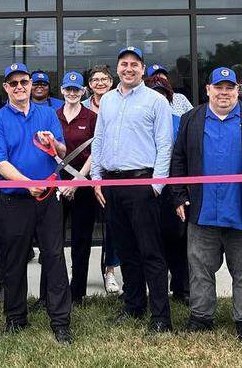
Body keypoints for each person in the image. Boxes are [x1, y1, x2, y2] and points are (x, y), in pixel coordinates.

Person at [171, 67, 242, 346]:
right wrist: (178, 195)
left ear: (238, 90)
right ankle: (201, 317)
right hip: (203, 212)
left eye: (230, 88)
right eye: (218, 87)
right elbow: (179, 160)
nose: (224, 93)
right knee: (200, 270)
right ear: (208, 89)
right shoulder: (191, 119)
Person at [0, 63, 73, 344]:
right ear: (6, 88)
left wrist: (54, 144)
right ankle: (15, 318)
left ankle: (60, 321)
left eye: (24, 81)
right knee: (13, 261)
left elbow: (62, 151)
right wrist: (27, 183)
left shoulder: (47, 114)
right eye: (14, 83)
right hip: (15, 201)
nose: (21, 87)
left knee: (55, 258)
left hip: (48, 200)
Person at [90, 46, 175, 333]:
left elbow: (165, 145)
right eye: (124, 64)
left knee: (150, 251)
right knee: (126, 250)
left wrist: (156, 185)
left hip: (142, 184)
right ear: (118, 69)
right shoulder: (109, 101)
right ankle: (134, 306)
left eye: (134, 64)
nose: (129, 68)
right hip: (112, 185)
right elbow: (98, 138)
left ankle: (161, 316)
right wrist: (97, 177)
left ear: (143, 69)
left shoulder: (156, 101)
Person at [144, 72, 190, 306]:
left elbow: (183, 158)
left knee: (177, 240)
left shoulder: (179, 121)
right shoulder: (138, 119)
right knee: (149, 240)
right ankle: (151, 289)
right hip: (145, 187)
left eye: (163, 94)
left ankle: (181, 288)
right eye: (154, 93)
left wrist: (180, 192)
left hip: (172, 189)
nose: (158, 98)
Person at [56, 70, 99, 304]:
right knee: (54, 240)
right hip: (58, 183)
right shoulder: (54, 116)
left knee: (81, 241)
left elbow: (96, 151)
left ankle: (77, 292)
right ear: (62, 91)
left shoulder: (92, 117)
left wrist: (78, 180)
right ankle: (53, 290)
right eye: (68, 89)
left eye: (76, 89)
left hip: (83, 181)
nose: (72, 93)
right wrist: (63, 184)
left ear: (83, 92)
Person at [82, 64, 122, 294]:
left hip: (111, 172)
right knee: (85, 225)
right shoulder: (82, 107)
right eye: (95, 79)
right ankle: (81, 271)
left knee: (112, 226)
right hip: (84, 174)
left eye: (104, 79)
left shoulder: (119, 103)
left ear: (111, 82)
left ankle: (110, 272)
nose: (100, 83)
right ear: (89, 84)